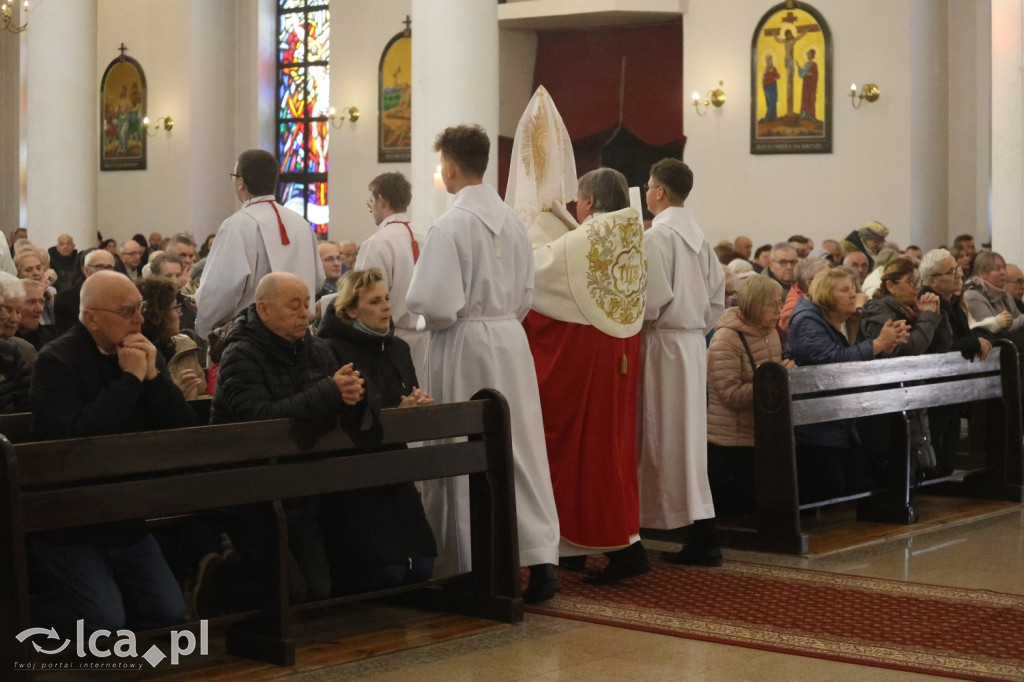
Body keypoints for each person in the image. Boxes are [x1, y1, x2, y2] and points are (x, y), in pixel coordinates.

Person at [406, 124, 560, 602]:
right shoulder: (514, 221)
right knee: (522, 447)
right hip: (509, 342)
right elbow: (526, 294)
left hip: (466, 345)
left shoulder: (450, 225)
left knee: (463, 445)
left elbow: (433, 302)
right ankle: (540, 560)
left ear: (449, 167)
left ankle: (468, 564)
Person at [28, 270, 193, 635]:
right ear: (91, 318)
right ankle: (17, 617)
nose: (139, 319)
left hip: (123, 512)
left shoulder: (140, 351)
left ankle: (114, 608)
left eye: (141, 308)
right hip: (68, 518)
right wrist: (131, 380)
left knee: (170, 611)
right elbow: (77, 440)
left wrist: (153, 380)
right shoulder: (56, 361)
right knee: (104, 620)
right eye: (127, 310)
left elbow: (180, 429)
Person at [212, 272, 379, 603]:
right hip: (252, 494)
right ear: (264, 310)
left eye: (307, 304)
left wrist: (355, 395)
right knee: (293, 592)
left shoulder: (316, 349)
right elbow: (258, 422)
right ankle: (221, 568)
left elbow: (334, 406)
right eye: (294, 306)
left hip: (303, 489)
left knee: (320, 591)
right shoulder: (241, 355)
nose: (306, 313)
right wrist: (329, 392)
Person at [522, 166, 648, 584]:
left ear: (591, 201)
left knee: (587, 448)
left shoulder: (592, 235)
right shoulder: (633, 233)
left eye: (579, 200)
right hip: (621, 352)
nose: (576, 207)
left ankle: (620, 549)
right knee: (612, 446)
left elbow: (534, 271)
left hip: (589, 356)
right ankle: (593, 544)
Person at [317, 268, 437, 593]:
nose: (387, 306)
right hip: (354, 473)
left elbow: (406, 393)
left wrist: (417, 402)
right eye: (375, 301)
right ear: (351, 309)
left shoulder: (397, 347)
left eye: (386, 298)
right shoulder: (329, 349)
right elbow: (341, 416)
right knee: (390, 574)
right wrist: (396, 414)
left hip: (394, 465)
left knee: (423, 567)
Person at [638, 159, 725, 567]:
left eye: (649, 186)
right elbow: (715, 302)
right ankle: (702, 534)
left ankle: (656, 529)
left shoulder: (657, 238)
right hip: (691, 345)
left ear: (659, 193)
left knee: (660, 437)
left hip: (663, 346)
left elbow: (650, 300)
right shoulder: (700, 238)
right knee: (687, 441)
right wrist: (693, 329)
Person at [785, 269, 908, 501]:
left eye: (853, 288)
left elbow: (861, 356)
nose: (854, 295)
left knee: (858, 483)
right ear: (825, 295)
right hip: (815, 423)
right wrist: (878, 344)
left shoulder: (848, 320)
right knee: (832, 489)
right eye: (844, 290)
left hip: (842, 417)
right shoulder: (807, 321)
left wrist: (885, 348)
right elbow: (833, 365)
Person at [195, 149, 325, 336]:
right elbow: (318, 281)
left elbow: (220, 292)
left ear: (240, 182)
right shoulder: (301, 223)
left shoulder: (236, 226)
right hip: (299, 334)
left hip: (252, 337)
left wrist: (202, 327)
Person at [707, 276, 792, 517]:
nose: (779, 310)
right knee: (740, 509)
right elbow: (730, 395)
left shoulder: (770, 333)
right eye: (772, 304)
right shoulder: (726, 338)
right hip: (730, 439)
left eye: (780, 303)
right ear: (755, 304)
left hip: (761, 433)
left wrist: (780, 379)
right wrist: (774, 382)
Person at [920, 249, 991, 476]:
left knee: (949, 444)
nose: (958, 275)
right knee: (939, 443)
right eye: (951, 271)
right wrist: (973, 342)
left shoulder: (951, 302)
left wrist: (980, 339)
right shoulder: (928, 303)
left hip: (952, 384)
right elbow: (940, 345)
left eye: (958, 269)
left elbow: (964, 335)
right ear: (931, 280)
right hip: (934, 385)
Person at [355, 171, 428, 380]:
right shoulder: (427, 238)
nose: (371, 209)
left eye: (371, 200)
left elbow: (362, 296)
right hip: (428, 341)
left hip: (392, 343)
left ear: (381, 200)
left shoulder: (378, 243)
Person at [138, 277, 207, 400]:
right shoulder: (137, 354)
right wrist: (174, 397)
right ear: (158, 314)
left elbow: (201, 394)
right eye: (175, 307)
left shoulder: (185, 345)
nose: (180, 313)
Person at [963, 250, 1024, 346]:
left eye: (1004, 268)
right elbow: (993, 330)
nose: (1003, 272)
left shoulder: (1005, 294)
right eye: (997, 269)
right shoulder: (972, 295)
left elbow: (1017, 320)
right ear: (982, 273)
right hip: (994, 347)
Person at [54, 248, 115, 335]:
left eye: (109, 267)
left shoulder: (118, 296)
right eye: (99, 266)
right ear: (86, 271)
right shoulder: (65, 299)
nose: (105, 271)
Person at [780, 257, 829, 333]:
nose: (832, 281)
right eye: (826, 278)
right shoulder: (793, 311)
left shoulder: (815, 297)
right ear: (810, 283)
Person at [17, 278, 56, 351]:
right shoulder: (4, 340)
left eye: (41, 302)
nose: (40, 309)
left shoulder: (51, 343)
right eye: (31, 302)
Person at [798, 48, 819, 119]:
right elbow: (803, 73)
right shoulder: (806, 64)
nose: (808, 55)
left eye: (809, 54)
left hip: (811, 85)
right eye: (808, 54)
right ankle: (804, 113)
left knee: (811, 98)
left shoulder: (814, 64)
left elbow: (816, 75)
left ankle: (811, 114)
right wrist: (798, 67)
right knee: (805, 97)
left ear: (812, 55)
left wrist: (809, 74)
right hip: (806, 84)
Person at [760, 53, 780, 122]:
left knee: (773, 101)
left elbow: (778, 76)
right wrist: (763, 85)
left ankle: (771, 117)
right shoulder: (766, 69)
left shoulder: (773, 68)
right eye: (767, 60)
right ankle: (769, 118)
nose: (769, 61)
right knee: (769, 102)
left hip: (773, 86)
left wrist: (773, 75)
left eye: (770, 59)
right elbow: (763, 78)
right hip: (767, 87)